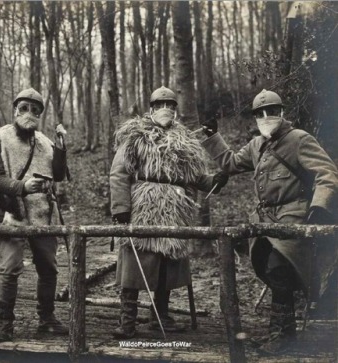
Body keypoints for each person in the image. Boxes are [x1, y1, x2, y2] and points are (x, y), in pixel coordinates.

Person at [201, 89, 338, 354]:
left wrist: (320, 206)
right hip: (264, 220)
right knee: (272, 269)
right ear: (254, 117)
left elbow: (327, 173)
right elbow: (230, 163)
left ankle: (282, 337)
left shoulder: (299, 140)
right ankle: (285, 334)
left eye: (272, 111)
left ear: (282, 113)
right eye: (260, 113)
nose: (266, 116)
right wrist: (212, 137)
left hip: (293, 216)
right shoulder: (256, 145)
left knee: (279, 270)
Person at [110, 86, 229, 339]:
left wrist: (214, 181)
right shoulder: (135, 136)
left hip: (175, 208)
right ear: (151, 109)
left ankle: (159, 315)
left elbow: (196, 177)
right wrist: (121, 208)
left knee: (167, 265)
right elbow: (119, 173)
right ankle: (127, 320)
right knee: (135, 262)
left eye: (171, 105)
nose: (166, 109)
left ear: (175, 110)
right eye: (161, 105)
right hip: (143, 206)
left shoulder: (184, 139)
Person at [0, 87, 69, 343]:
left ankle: (47, 319)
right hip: (13, 214)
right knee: (9, 270)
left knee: (49, 269)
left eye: (34, 109)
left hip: (43, 214)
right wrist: (22, 187)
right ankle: (4, 325)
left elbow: (59, 175)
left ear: (40, 114)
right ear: (15, 110)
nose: (28, 113)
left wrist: (62, 147)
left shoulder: (45, 142)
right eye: (24, 108)